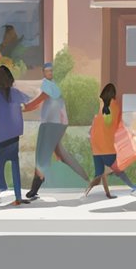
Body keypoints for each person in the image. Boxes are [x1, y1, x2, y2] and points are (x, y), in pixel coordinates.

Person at [26, 61, 89, 200]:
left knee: (41, 155)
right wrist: (28, 106)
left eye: (51, 70)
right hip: (55, 122)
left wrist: (23, 107)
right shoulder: (51, 85)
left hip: (53, 123)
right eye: (47, 71)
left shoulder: (51, 86)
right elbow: (40, 102)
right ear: (44, 72)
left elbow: (37, 101)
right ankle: (86, 179)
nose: (50, 73)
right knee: (61, 153)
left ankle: (36, 184)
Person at [0, 65, 39, 206]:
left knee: (0, 164)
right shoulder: (16, 93)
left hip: (3, 134)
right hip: (14, 133)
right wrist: (20, 108)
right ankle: (18, 197)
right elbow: (31, 102)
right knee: (14, 163)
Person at [84, 84, 136, 198]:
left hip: (96, 147)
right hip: (108, 146)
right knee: (118, 169)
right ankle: (133, 187)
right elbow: (118, 126)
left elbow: (95, 126)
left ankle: (91, 192)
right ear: (113, 94)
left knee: (99, 174)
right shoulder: (115, 107)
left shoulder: (100, 108)